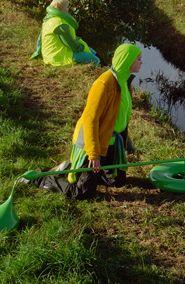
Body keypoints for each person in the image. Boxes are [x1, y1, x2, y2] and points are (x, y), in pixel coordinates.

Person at [28, 44, 142, 199]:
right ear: (127, 60)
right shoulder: (103, 84)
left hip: (111, 143)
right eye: (139, 59)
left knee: (117, 181)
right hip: (91, 144)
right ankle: (40, 179)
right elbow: (90, 120)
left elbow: (120, 117)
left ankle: (71, 167)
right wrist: (93, 155)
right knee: (81, 193)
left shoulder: (125, 82)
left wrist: (127, 143)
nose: (142, 62)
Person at [31, 0, 100, 66]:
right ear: (61, 9)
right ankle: (102, 69)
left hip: (52, 53)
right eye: (67, 7)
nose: (68, 9)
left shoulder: (50, 19)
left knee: (91, 50)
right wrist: (81, 47)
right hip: (57, 56)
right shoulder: (59, 23)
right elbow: (70, 44)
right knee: (96, 60)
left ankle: (107, 67)